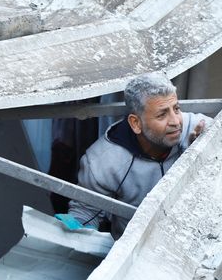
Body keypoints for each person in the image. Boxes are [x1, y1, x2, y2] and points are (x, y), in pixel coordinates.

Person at [68, 73, 213, 239]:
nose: (176, 121)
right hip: (137, 253)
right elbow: (85, 216)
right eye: (162, 115)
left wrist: (204, 151)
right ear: (135, 123)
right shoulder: (103, 162)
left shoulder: (198, 130)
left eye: (176, 109)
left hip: (195, 238)